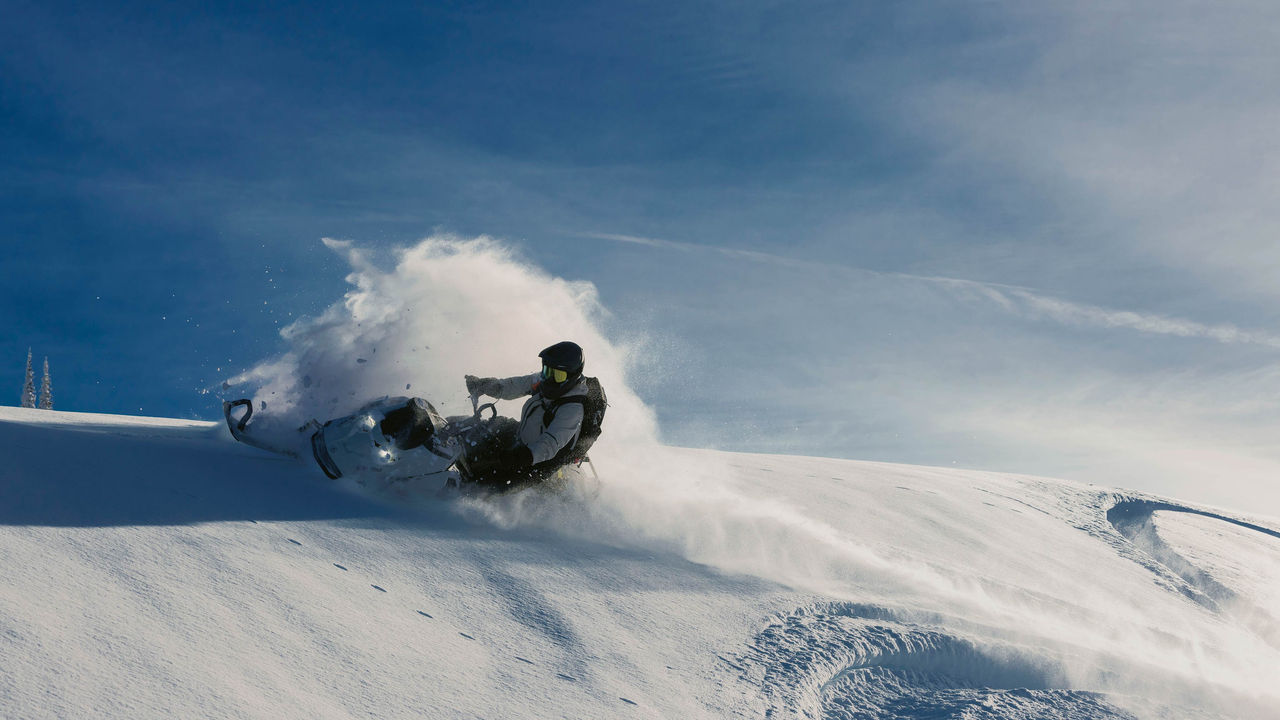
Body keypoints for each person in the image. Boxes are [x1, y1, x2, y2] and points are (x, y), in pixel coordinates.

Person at [463, 341, 589, 487]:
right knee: (479, 429)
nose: (550, 378)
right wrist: (483, 386)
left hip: (536, 463)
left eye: (558, 375)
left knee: (481, 481)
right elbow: (512, 386)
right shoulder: (543, 380)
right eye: (547, 370)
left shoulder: (572, 409)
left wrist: (517, 458)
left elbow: (549, 445)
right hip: (521, 437)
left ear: (572, 376)